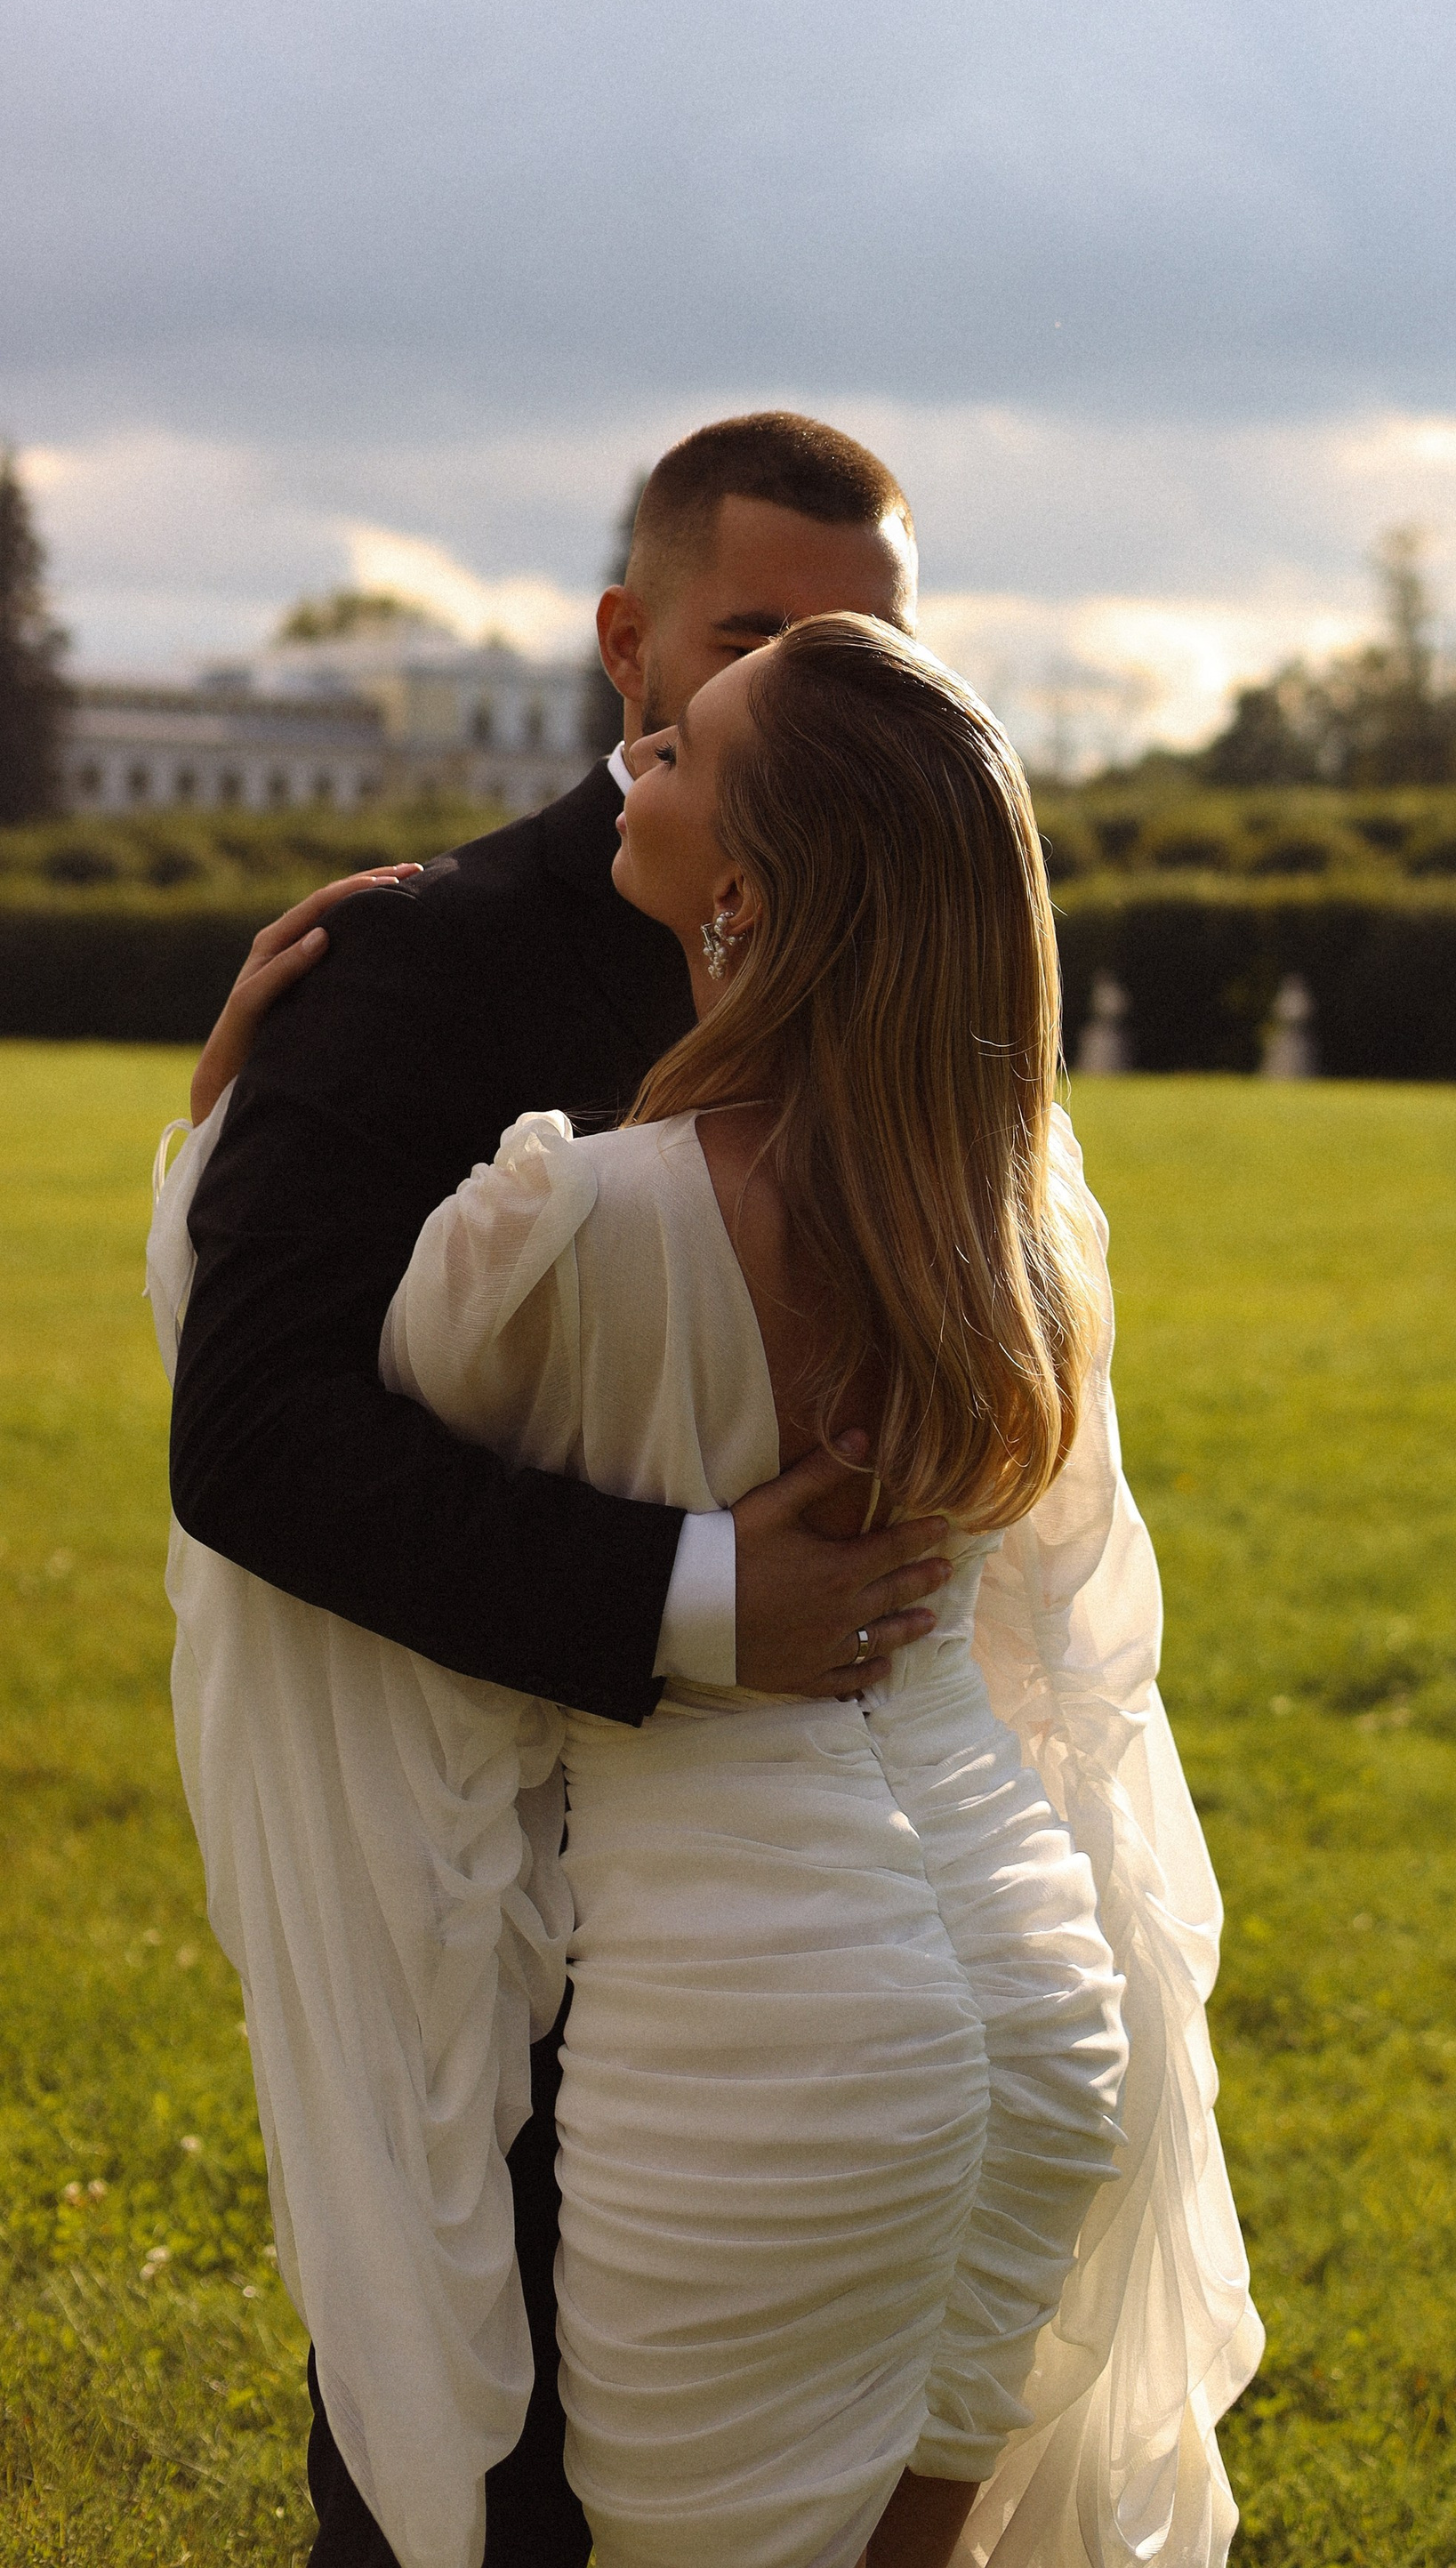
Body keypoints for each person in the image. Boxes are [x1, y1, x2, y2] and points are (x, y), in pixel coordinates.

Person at [153, 616, 1259, 2568]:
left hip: (759, 2027)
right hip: (1028, 1985)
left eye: (675, 755)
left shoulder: (578, 1221)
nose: (629, 764)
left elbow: (291, 1451)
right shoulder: (1023, 1224)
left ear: (739, 889)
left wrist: (219, 1138)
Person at [165, 415, 969, 2564]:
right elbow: (249, 1435)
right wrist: (697, 1596)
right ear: (630, 650)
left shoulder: (912, 1010)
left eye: (867, 650)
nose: (817, 698)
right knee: (476, 2494)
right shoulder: (417, 966)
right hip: (477, 1902)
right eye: (759, 638)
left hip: (824, 1924)